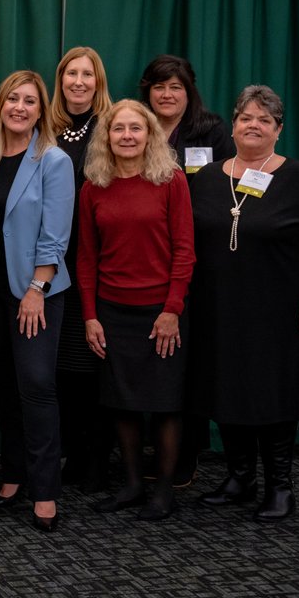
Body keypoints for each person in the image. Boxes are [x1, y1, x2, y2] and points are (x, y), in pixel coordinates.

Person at [190, 86, 299, 521]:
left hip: (279, 312)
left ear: (278, 131)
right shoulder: (210, 176)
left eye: (264, 120)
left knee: (274, 396)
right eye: (246, 118)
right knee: (228, 390)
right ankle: (240, 477)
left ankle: (280, 486)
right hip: (220, 309)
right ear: (232, 126)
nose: (253, 125)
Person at [79, 100, 195, 521]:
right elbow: (87, 259)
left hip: (161, 312)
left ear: (150, 135)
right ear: (106, 137)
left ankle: (163, 491)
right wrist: (90, 315)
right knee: (121, 401)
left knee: (165, 403)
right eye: (118, 129)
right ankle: (130, 485)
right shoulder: (94, 186)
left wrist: (172, 310)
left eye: (135, 128)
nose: (127, 135)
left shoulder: (170, 180)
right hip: (112, 311)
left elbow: (185, 251)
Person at [0, 71, 74, 533]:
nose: (19, 107)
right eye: (12, 98)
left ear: (41, 110)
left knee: (36, 386)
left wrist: (37, 289)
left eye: (29, 101)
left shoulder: (53, 161)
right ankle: (13, 475)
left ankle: (46, 490)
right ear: (0, 105)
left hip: (34, 293)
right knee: (6, 385)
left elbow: (55, 237)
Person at [139, 54, 234, 487]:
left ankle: (187, 453)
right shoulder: (134, 127)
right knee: (157, 361)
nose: (167, 94)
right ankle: (154, 450)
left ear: (189, 90)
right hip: (148, 259)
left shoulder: (210, 130)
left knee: (191, 360)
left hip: (203, 259)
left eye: (175, 86)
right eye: (159, 86)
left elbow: (232, 185)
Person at [50, 47, 114, 491]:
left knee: (96, 364)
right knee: (62, 366)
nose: (78, 81)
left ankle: (97, 459)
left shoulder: (112, 128)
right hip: (52, 264)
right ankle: (70, 452)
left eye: (86, 74)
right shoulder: (45, 129)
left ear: (98, 81)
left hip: (99, 261)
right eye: (70, 73)